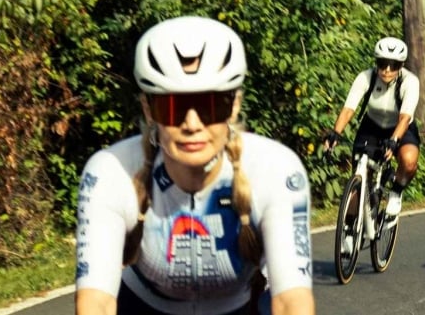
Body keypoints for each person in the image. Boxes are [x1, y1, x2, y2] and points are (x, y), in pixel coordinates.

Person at [74, 16, 314, 315]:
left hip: (238, 307)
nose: (192, 124)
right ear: (149, 110)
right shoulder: (112, 171)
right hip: (142, 307)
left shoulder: (275, 170)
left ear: (235, 105)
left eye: (209, 106)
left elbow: (292, 301)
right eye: (172, 107)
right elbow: (96, 302)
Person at [321, 36, 421, 219]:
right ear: (376, 62)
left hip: (400, 128)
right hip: (372, 126)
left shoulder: (410, 82)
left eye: (394, 65)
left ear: (401, 65)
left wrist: (394, 140)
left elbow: (405, 117)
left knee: (408, 161)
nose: (387, 70)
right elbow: (348, 109)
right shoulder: (366, 77)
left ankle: (396, 192)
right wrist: (335, 133)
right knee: (358, 182)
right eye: (383, 64)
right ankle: (349, 233)